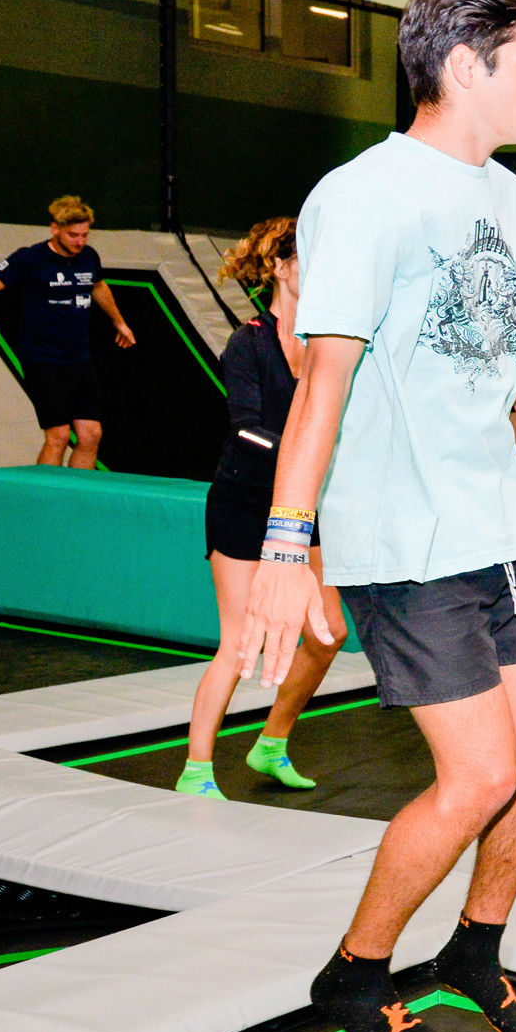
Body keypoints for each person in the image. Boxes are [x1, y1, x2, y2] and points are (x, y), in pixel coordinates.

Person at [242, 0, 516, 1032]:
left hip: (501, 526)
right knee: (479, 776)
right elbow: (322, 377)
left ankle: (475, 944)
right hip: (404, 539)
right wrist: (286, 541)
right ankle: (356, 967)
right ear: (463, 66)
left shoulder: (509, 198)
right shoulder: (361, 195)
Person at [180, 218, 346, 799]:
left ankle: (270, 743)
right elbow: (247, 428)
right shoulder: (247, 341)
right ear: (279, 267)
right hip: (243, 502)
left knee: (327, 634)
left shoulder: (333, 342)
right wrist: (310, 452)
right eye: (307, 259)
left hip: (301, 504)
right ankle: (196, 769)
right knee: (238, 643)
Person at [0, 194, 136, 467]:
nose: (80, 241)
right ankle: (43, 498)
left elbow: (98, 286)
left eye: (85, 235)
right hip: (43, 361)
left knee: (91, 434)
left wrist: (118, 321)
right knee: (58, 436)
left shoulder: (89, 257)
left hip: (79, 359)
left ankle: (74, 498)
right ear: (55, 229)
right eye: (73, 235)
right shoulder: (29, 258)